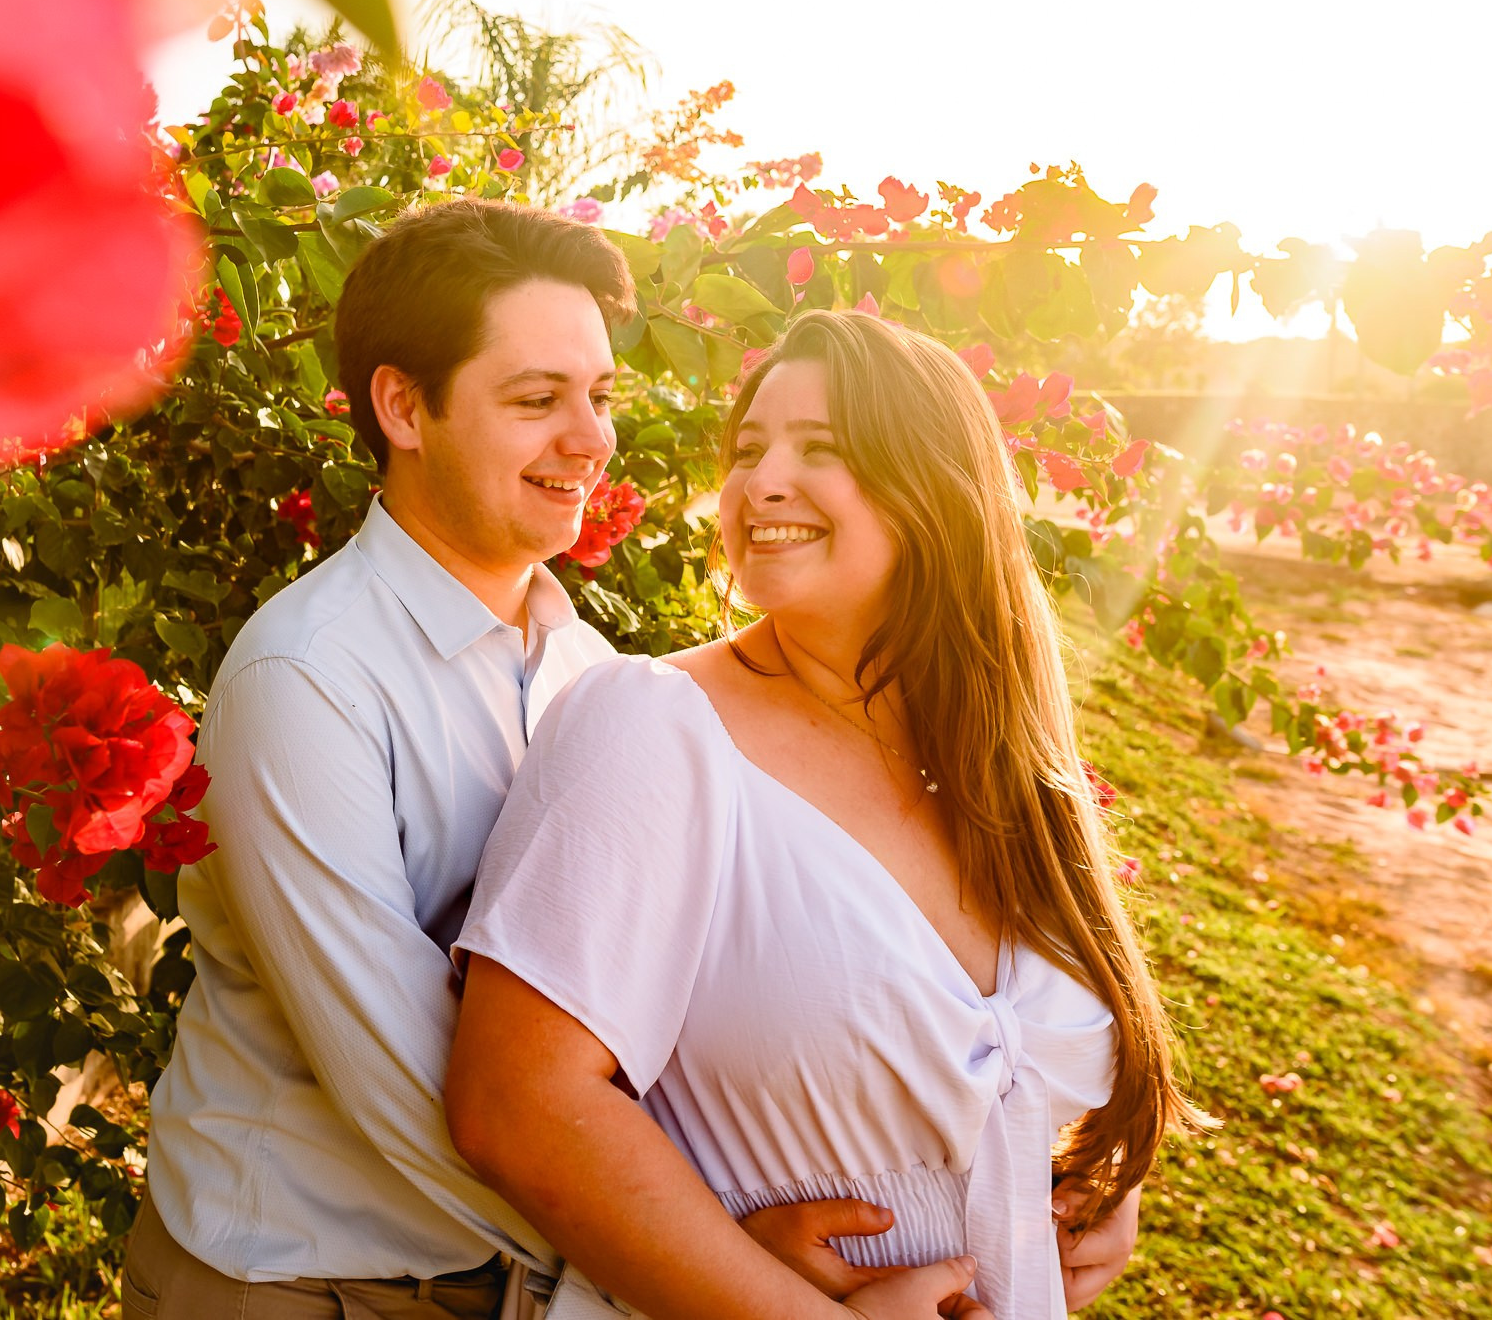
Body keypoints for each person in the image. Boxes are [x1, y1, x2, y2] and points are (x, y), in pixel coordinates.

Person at [126, 202, 921, 1319]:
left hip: (510, 1281)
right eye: (536, 398)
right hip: (307, 1282)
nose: (590, 439)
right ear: (403, 406)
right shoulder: (305, 682)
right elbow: (419, 1086)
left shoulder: (585, 664)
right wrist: (703, 1258)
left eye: (597, 396)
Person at [448, 308, 1202, 1318]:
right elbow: (516, 1108)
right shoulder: (654, 726)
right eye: (748, 448)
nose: (758, 481)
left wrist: (1091, 1184)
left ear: (935, 490)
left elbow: (1021, 1063)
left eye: (823, 448)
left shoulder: (997, 759)